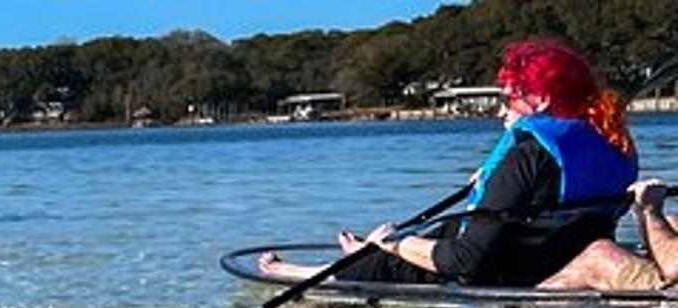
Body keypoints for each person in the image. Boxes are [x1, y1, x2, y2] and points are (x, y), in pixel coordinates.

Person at [260, 39, 637, 288]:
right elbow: (551, 200)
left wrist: (395, 244)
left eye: (508, 98)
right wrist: (498, 179)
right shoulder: (613, 138)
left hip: (509, 271)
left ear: (539, 100)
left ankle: (315, 274)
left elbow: (466, 260)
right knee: (446, 228)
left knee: (407, 254)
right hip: (555, 253)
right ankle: (367, 253)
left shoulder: (530, 153)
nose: (501, 110)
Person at [536, 177, 678, 291]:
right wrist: (643, 215)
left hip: (669, 301)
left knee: (600, 256)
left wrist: (651, 211)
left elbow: (673, 268)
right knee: (673, 223)